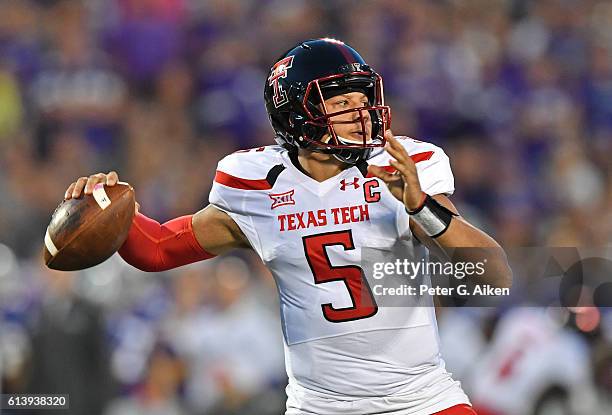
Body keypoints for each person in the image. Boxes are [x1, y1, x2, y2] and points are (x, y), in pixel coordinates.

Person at [65, 38, 512, 415]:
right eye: (341, 103)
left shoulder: (403, 166)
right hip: (319, 408)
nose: (361, 115)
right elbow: (158, 249)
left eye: (364, 101)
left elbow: (494, 277)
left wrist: (420, 206)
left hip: (422, 402)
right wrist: (107, 206)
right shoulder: (255, 183)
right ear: (297, 112)